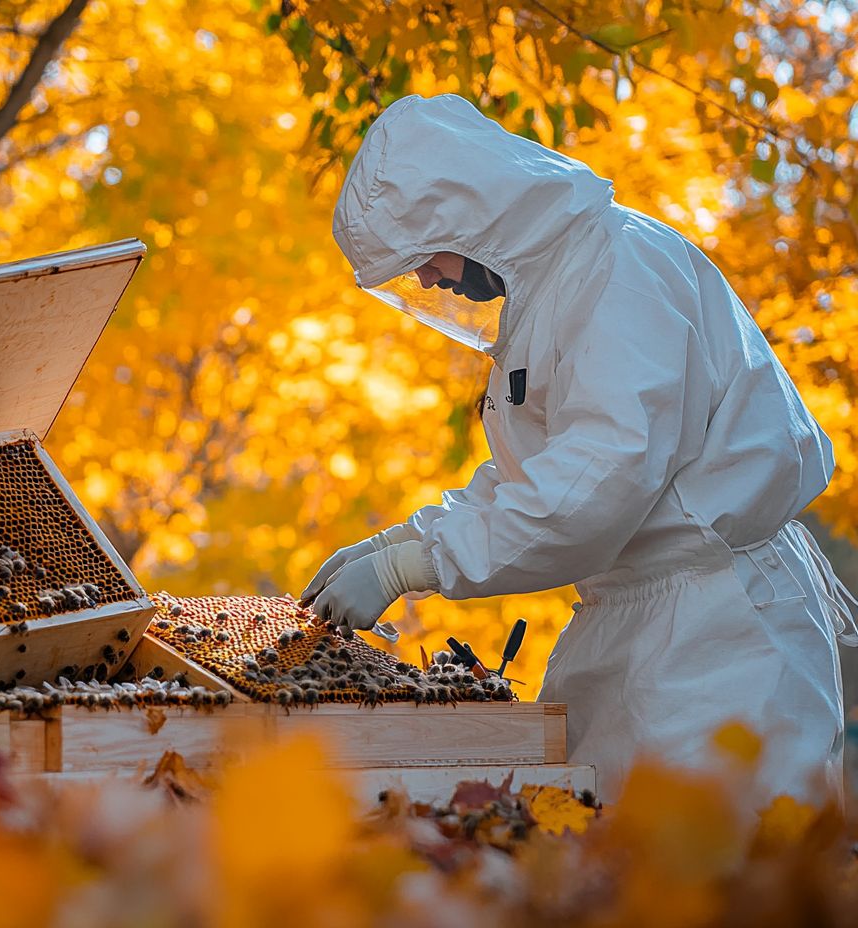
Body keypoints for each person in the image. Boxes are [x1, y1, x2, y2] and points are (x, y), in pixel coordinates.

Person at [302, 93, 858, 803]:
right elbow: (530, 477)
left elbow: (598, 480)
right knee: (603, 874)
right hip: (637, 617)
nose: (429, 281)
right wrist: (401, 539)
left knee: (721, 881)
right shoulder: (559, 288)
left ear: (467, 214)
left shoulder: (618, 269)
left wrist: (414, 566)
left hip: (722, 629)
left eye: (422, 258)